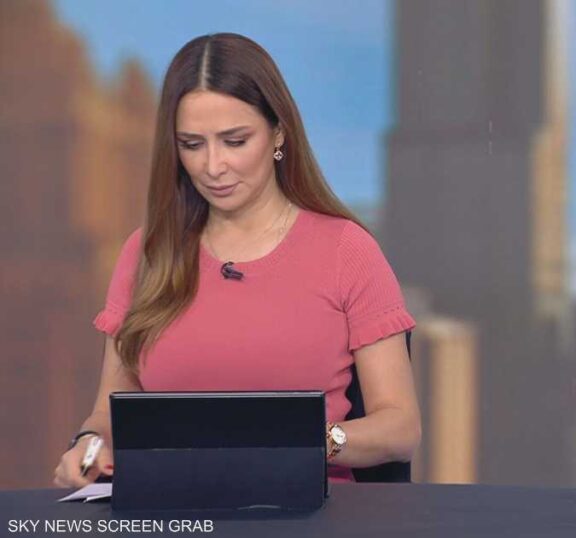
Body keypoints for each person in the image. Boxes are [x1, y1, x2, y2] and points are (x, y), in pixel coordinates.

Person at [53, 33, 420, 488]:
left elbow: (399, 428)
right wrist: (88, 447)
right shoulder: (146, 253)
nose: (213, 166)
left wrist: (309, 439)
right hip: (174, 508)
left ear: (278, 132)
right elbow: (108, 412)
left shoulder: (348, 250)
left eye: (235, 141)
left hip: (312, 510)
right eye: (192, 144)